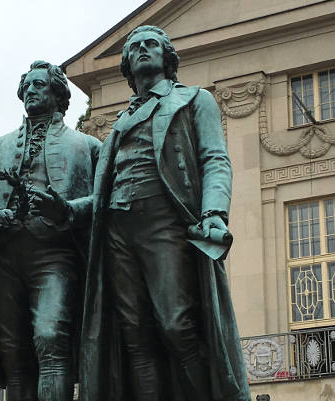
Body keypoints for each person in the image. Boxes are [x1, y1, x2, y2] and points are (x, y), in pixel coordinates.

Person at [79, 26, 251, 401]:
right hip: (117, 230)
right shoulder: (117, 125)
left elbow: (215, 159)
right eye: (134, 46)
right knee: (136, 335)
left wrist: (214, 212)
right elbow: (98, 193)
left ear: (167, 57)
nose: (142, 49)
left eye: (151, 44)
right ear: (126, 63)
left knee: (176, 324)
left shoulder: (194, 99)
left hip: (165, 220)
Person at [0, 60, 101, 401]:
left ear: (57, 92)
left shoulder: (87, 147)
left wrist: (69, 209)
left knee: (51, 337)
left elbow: (106, 200)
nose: (31, 92)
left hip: (55, 255)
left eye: (39, 85)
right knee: (15, 355)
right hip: (3, 259)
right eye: (26, 88)